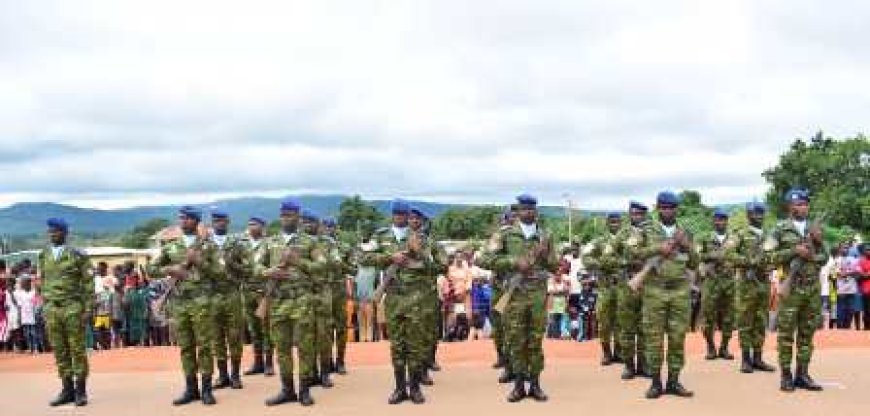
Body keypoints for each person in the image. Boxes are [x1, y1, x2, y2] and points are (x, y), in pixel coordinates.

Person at [481, 194, 557, 403]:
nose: (528, 212)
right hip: (513, 296)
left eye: (532, 209)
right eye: (524, 209)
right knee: (515, 341)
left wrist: (545, 257)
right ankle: (518, 386)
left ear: (536, 212)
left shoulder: (545, 236)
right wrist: (515, 262)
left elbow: (554, 265)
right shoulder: (505, 234)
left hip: (537, 297)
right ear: (518, 212)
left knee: (535, 342)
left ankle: (535, 385)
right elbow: (484, 259)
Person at [359, 199, 435, 405]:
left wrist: (418, 253)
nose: (401, 218)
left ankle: (415, 387)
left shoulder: (421, 238)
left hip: (416, 298)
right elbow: (363, 257)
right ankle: (400, 387)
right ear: (392, 215)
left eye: (404, 215)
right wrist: (390, 258)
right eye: (397, 214)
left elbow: (435, 266)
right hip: (393, 297)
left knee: (415, 345)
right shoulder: (381, 236)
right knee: (397, 345)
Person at [150, 206, 221, 406]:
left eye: (188, 218)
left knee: (205, 347)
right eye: (181, 218)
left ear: (196, 222)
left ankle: (207, 389)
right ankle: (191, 389)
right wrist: (170, 269)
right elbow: (151, 269)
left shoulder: (208, 246)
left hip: (202, 302)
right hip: (179, 303)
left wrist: (199, 261)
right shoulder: (171, 247)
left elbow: (220, 273)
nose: (183, 222)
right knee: (186, 347)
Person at [632, 191, 697, 399]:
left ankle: (674, 381)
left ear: (677, 209)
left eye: (671, 207)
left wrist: (686, 246)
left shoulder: (685, 231)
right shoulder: (644, 229)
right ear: (657, 208)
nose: (668, 211)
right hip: (654, 289)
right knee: (654, 338)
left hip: (679, 290)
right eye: (664, 207)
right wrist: (658, 248)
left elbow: (695, 262)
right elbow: (631, 253)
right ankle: (655, 383)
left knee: (678, 338)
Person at [766, 188, 827, 392]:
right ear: (790, 207)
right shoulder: (779, 229)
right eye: (799, 204)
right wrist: (794, 250)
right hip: (791, 289)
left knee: (807, 334)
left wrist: (815, 250)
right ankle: (786, 375)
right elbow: (768, 257)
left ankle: (803, 374)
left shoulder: (814, 228)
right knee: (785, 334)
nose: (803, 207)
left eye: (805, 204)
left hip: (811, 289)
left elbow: (824, 257)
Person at [262, 198, 319, 407]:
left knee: (304, 346)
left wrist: (298, 261)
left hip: (302, 300)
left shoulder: (310, 242)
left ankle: (304, 389)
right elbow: (253, 266)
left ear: (298, 217)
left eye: (291, 215)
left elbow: (322, 267)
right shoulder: (270, 242)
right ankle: (287, 390)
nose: (287, 218)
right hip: (277, 301)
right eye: (284, 215)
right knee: (282, 348)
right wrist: (269, 271)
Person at [39, 218, 93, 407]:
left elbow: (88, 284)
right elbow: (43, 280)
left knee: (77, 350)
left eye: (56, 231)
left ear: (64, 233)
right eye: (50, 231)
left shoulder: (78, 255)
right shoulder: (43, 254)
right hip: (52, 309)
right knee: (60, 350)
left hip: (72, 308)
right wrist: (45, 305)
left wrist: (87, 309)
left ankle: (81, 391)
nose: (52, 234)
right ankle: (66, 390)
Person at [725, 202, 776, 374]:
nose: (759, 216)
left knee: (761, 320)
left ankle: (758, 358)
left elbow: (775, 254)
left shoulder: (769, 235)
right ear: (748, 215)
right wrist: (748, 262)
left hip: (763, 282)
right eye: (755, 213)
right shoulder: (740, 234)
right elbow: (727, 253)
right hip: (746, 283)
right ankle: (746, 359)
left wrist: (772, 264)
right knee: (745, 321)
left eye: (761, 213)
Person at [209, 210, 248, 390]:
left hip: (232, 294)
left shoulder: (237, 244)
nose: (219, 224)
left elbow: (249, 269)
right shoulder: (205, 244)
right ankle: (222, 375)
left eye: (222, 220)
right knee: (216, 338)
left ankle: (235, 375)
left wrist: (233, 264)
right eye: (215, 221)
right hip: (212, 296)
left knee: (234, 336)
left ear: (228, 222)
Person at [613, 201, 650, 380]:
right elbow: (607, 256)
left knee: (645, 328)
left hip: (647, 287)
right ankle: (628, 365)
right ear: (629, 215)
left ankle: (644, 365)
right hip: (626, 286)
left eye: (640, 214)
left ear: (645, 215)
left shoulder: (653, 233)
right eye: (633, 213)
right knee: (626, 329)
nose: (636, 216)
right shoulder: (621, 234)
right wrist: (625, 263)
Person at [584, 212, 623, 364]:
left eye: (617, 221)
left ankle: (619, 352)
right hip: (605, 287)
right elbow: (586, 258)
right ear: (607, 223)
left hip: (622, 286)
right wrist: (601, 264)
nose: (615, 224)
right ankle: (606, 353)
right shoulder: (599, 242)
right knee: (604, 322)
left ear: (621, 223)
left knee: (621, 321)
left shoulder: (627, 241)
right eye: (612, 222)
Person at [697, 209, 736, 360]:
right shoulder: (705, 238)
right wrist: (713, 256)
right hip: (711, 282)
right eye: (717, 219)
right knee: (708, 317)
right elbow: (697, 255)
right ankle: (710, 347)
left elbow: (738, 255)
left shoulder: (733, 238)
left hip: (729, 282)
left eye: (723, 219)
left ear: (727, 221)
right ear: (713, 221)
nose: (720, 222)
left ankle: (724, 347)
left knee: (729, 317)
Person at [241, 216, 275, 376]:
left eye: (254, 224)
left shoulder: (269, 245)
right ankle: (258, 362)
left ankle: (269, 363)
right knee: (253, 329)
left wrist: (269, 291)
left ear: (263, 226)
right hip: (247, 292)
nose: (251, 227)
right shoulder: (243, 246)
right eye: (249, 224)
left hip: (263, 293)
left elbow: (273, 268)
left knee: (266, 329)